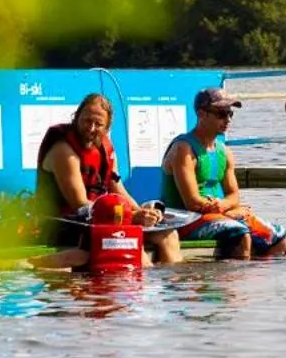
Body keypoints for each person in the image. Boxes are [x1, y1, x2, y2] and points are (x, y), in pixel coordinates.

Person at [35, 91, 181, 266]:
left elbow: (118, 189)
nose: (91, 128)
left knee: (168, 234)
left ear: (107, 127)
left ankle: (173, 282)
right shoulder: (63, 151)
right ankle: (140, 278)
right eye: (86, 121)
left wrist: (144, 213)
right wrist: (132, 217)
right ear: (76, 117)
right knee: (130, 239)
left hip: (104, 219)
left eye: (98, 124)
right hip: (65, 223)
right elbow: (80, 205)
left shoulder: (105, 149)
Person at [162, 87, 286, 259]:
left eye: (230, 114)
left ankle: (253, 271)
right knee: (241, 235)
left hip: (218, 214)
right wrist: (226, 211)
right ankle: (234, 275)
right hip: (184, 220)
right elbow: (192, 202)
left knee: (278, 237)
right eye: (221, 114)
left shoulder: (225, 151)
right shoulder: (183, 149)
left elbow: (234, 196)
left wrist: (225, 208)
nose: (228, 119)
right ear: (201, 114)